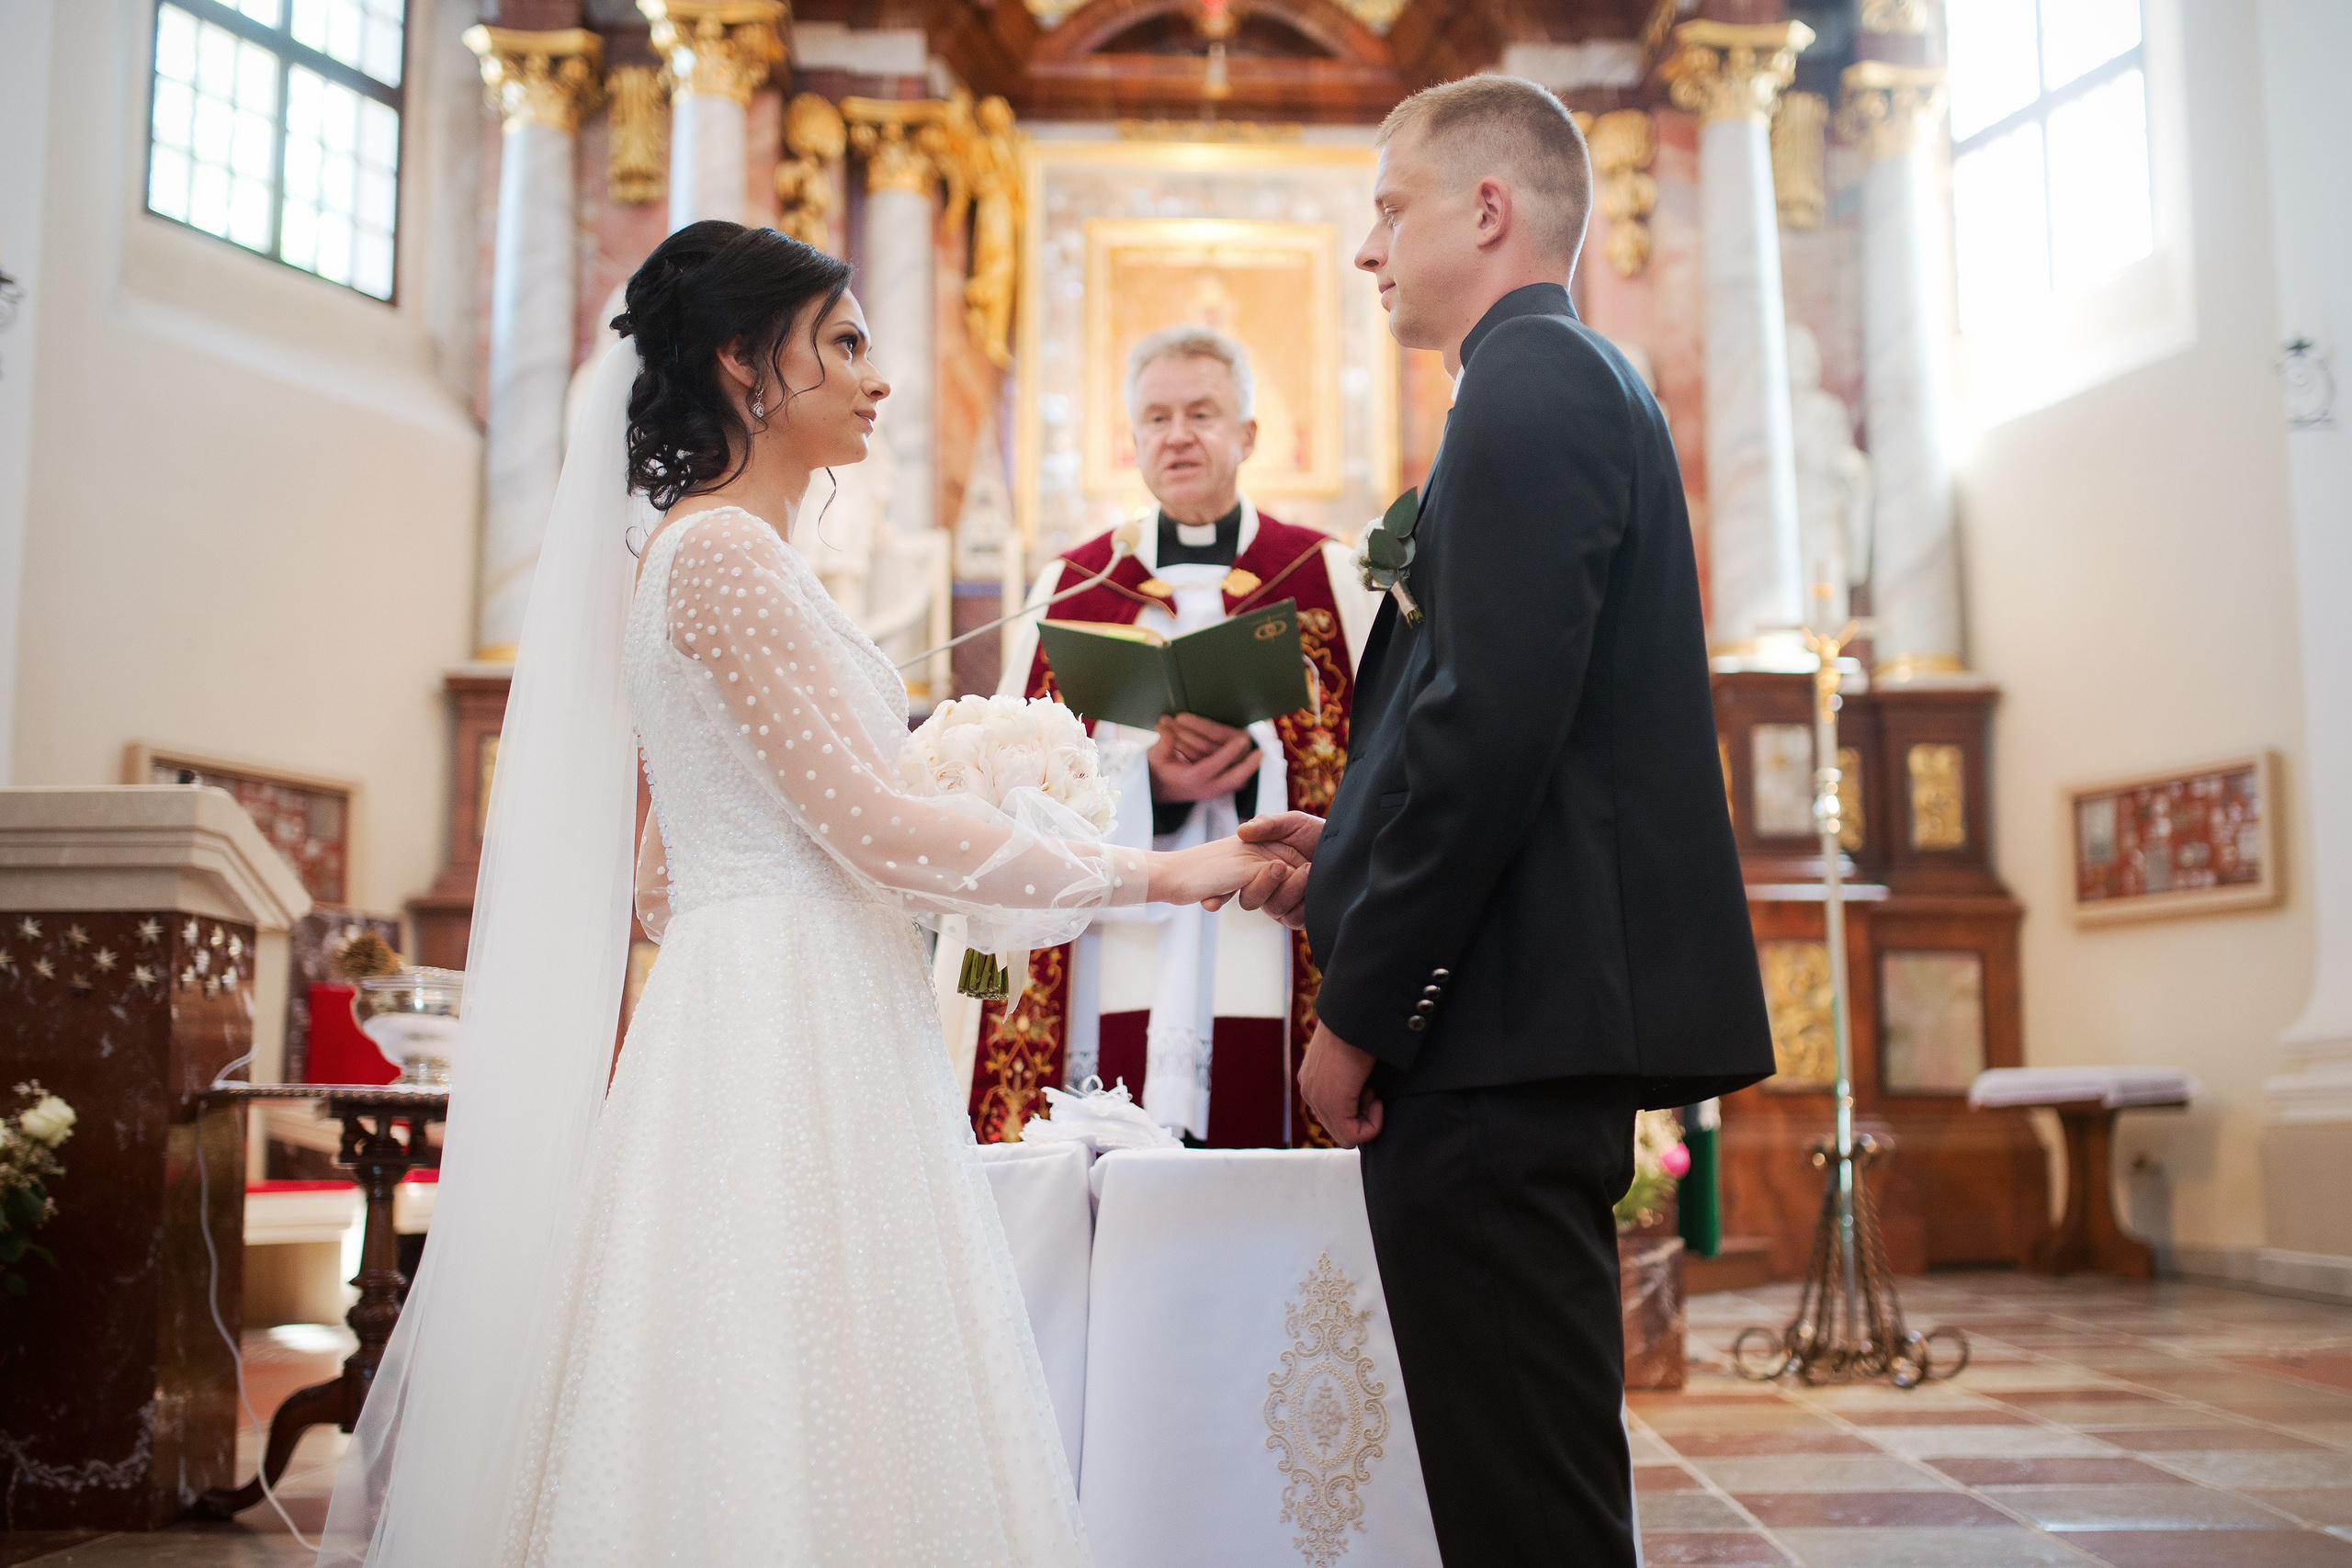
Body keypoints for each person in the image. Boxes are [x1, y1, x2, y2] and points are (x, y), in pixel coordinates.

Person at [317, 221, 1289, 1567]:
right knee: (789, 1371)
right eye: (842, 342)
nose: (877, 377)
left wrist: (937, 803)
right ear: (740, 363)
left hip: (774, 990)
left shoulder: (712, 556)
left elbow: (664, 877)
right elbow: (882, 831)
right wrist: (1168, 869)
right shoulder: (721, 558)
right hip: (785, 1025)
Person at [1236, 78, 1776, 1566]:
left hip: (1493, 1037)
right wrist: (1339, 851)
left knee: (1526, 1507)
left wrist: (1362, 1005)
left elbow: (1489, 735)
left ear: (1490, 210)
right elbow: (1502, 721)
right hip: (1515, 1018)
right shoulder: (1551, 383)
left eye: (1388, 207)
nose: (1367, 249)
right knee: (1514, 1479)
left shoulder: (1531, 389)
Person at [953, 325, 1380, 1147]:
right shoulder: (1074, 586)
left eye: (1202, 413)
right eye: (1156, 418)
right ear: (1134, 439)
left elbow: (1377, 761)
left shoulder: (1329, 576)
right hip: (1119, 936)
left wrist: (1263, 768)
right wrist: (1145, 777)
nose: (1177, 434)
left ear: (1248, 434)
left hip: (1271, 926)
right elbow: (1014, 786)